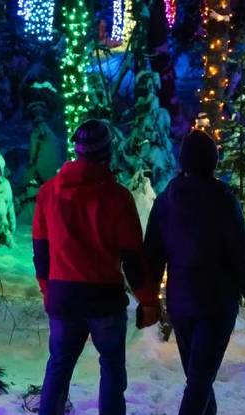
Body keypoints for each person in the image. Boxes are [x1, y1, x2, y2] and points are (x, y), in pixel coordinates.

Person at [33, 119, 160, 415]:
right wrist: (148, 301)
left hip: (63, 296)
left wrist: (48, 290)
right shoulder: (118, 197)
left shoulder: (49, 193)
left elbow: (41, 250)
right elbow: (132, 257)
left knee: (59, 366)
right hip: (104, 298)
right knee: (112, 368)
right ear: (107, 152)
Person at [143, 130, 245, 415]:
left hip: (180, 301)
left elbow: (153, 254)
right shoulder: (223, 200)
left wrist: (149, 299)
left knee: (199, 378)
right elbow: (240, 253)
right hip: (216, 302)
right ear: (213, 161)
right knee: (199, 381)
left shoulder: (166, 200)